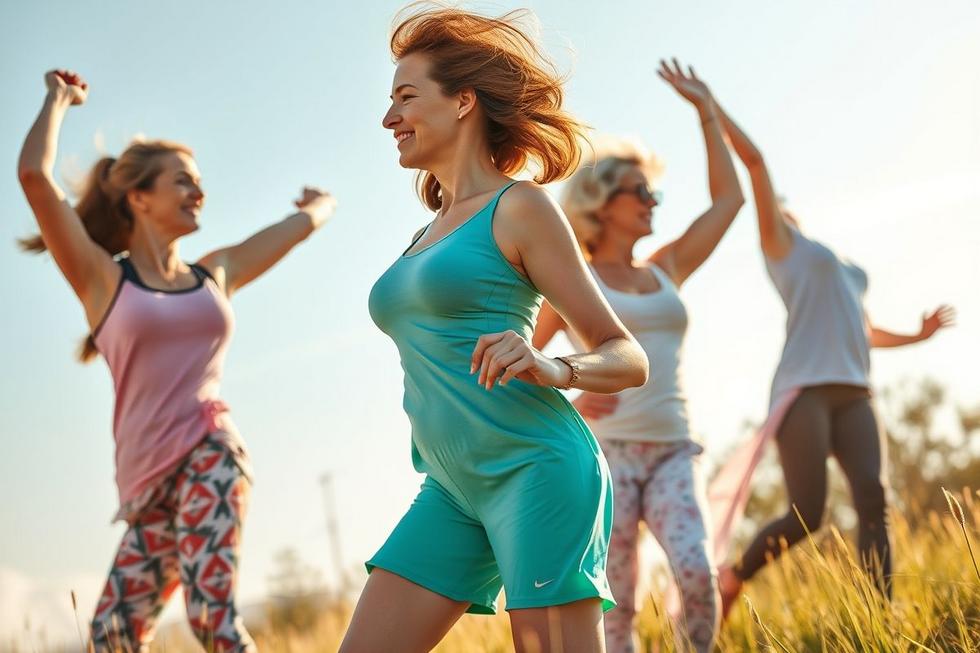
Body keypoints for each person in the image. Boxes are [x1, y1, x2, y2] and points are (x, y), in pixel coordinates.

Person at [341, 7, 649, 653]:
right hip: (451, 488)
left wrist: (554, 366)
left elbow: (626, 356)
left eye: (406, 97)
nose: (389, 118)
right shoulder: (424, 233)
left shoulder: (520, 206)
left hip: (536, 468)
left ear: (463, 102)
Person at [17, 69, 336, 652]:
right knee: (111, 635)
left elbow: (293, 230)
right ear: (138, 197)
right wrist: (57, 99)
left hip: (210, 455)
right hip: (148, 483)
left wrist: (321, 206)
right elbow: (35, 177)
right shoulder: (103, 279)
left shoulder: (213, 274)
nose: (199, 192)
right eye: (183, 180)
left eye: (200, 182)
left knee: (212, 619)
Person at [711, 100, 956, 615]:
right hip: (805, 392)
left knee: (874, 499)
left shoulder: (836, 263)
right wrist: (709, 106)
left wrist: (918, 336)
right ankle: (734, 577)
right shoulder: (782, 250)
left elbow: (863, 332)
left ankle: (879, 617)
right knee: (807, 513)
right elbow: (755, 163)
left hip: (856, 391)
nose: (777, 212)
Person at [533, 60, 744, 653]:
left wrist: (706, 112)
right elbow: (520, 362)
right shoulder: (572, 281)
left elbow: (730, 201)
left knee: (697, 574)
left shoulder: (666, 268)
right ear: (602, 202)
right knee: (617, 602)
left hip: (674, 448)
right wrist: (574, 399)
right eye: (641, 191)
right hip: (609, 456)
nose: (654, 200)